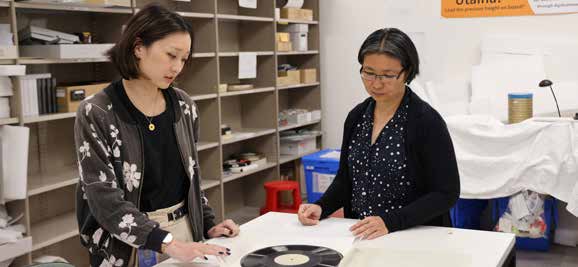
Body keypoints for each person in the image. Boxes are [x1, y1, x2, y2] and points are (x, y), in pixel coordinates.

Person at [74, 4, 239, 266]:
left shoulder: (184, 106)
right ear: (139, 47)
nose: (177, 67)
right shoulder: (97, 112)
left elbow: (191, 178)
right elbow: (103, 199)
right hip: (128, 244)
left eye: (184, 59)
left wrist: (209, 225)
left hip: (185, 234)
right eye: (171, 55)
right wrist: (167, 242)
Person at [297, 28, 460, 240]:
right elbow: (347, 180)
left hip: (414, 235)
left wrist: (390, 222)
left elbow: (446, 193)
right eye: (369, 72)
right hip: (363, 235)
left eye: (388, 75)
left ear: (407, 73)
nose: (376, 83)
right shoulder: (356, 117)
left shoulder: (426, 122)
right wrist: (321, 206)